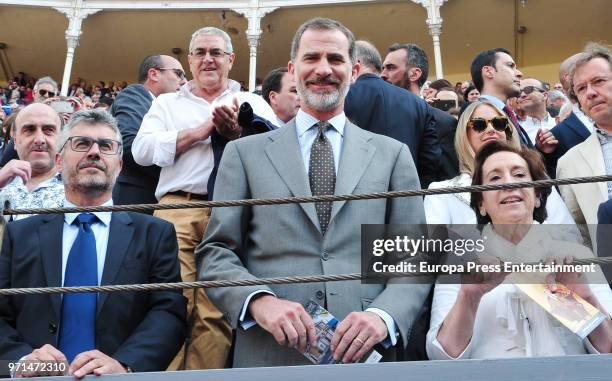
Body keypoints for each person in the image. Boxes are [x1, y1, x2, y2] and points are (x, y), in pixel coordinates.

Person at [196, 17, 431, 368]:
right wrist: (259, 302)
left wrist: (384, 315)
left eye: (335, 60)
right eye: (312, 58)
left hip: (368, 354)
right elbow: (216, 251)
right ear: (293, 70)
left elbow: (412, 257)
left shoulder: (392, 154)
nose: (324, 69)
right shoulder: (244, 154)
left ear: (353, 71)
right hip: (269, 353)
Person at [0, 109, 186, 377]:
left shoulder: (154, 233)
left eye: (106, 146)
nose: (94, 152)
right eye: (82, 143)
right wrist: (23, 361)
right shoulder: (20, 234)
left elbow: (169, 313)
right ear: (59, 160)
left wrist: (124, 364)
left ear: (119, 165)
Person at [132, 26, 275, 370]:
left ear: (231, 59)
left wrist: (238, 135)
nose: (208, 59)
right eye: (200, 53)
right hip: (176, 208)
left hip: (229, 213)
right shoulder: (166, 103)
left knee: (216, 307)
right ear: (190, 60)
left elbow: (277, 153)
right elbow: (141, 150)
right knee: (170, 301)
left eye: (216, 52)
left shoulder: (253, 103)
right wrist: (201, 133)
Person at [426, 140, 612, 360]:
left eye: (520, 175)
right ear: (481, 204)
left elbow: (608, 349)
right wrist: (468, 297)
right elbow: (441, 356)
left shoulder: (576, 256)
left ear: (537, 197)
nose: (508, 184)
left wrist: (582, 298)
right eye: (494, 178)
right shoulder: (460, 263)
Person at [425, 100, 575, 226]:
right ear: (465, 134)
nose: (491, 129)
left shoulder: (538, 179)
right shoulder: (441, 192)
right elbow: (434, 252)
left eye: (499, 123)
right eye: (479, 124)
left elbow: (568, 236)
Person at [345, 40, 441, 188]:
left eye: (339, 61)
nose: (383, 74)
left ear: (355, 63)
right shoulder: (420, 105)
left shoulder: (342, 98)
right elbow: (429, 164)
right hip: (409, 197)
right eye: (383, 68)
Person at [110, 54, 187, 211]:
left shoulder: (167, 109)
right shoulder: (136, 94)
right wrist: (181, 171)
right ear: (154, 74)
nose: (184, 81)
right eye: (178, 73)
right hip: (135, 197)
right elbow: (131, 146)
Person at [381, 43, 458, 181]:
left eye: (391, 68)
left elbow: (448, 183)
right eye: (383, 68)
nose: (382, 75)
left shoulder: (444, 123)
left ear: (415, 74)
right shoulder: (377, 118)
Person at [557, 43, 612, 229]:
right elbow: (579, 232)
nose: (590, 93)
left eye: (598, 81)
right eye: (581, 89)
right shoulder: (569, 163)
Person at [471, 48, 557, 152]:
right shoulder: (478, 114)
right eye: (510, 66)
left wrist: (538, 150)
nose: (519, 73)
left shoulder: (502, 112)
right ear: (489, 72)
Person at [0, 103, 64, 220]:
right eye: (29, 130)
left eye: (49, 130)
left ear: (61, 139)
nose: (39, 140)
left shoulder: (77, 187)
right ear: (15, 141)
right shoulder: (3, 180)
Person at [517, 78, 557, 144]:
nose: (522, 95)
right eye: (519, 92)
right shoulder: (518, 131)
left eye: (528, 89)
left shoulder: (559, 123)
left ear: (544, 95)